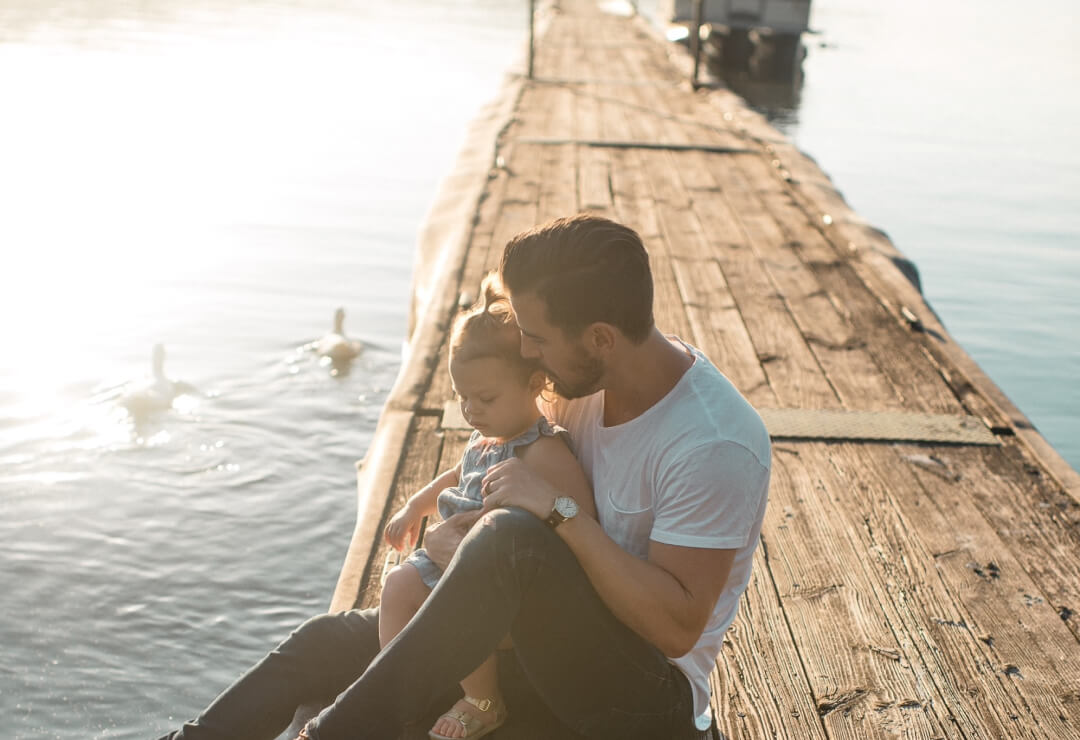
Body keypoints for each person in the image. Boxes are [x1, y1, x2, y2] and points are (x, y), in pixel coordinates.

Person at [157, 214, 770, 740]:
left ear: (600, 339)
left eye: (535, 338)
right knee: (325, 642)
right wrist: (454, 538)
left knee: (510, 539)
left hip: (643, 696)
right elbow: (497, 461)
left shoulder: (712, 443)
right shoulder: (580, 382)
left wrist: (557, 513)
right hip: (532, 635)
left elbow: (676, 627)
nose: (526, 354)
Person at [379, 275, 594, 740]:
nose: (471, 411)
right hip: (452, 553)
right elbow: (458, 474)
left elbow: (580, 518)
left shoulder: (543, 451)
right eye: (462, 399)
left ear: (535, 382)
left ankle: (484, 700)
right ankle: (398, 686)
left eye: (486, 398)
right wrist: (416, 506)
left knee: (460, 609)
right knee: (396, 585)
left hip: (497, 578)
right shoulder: (487, 435)